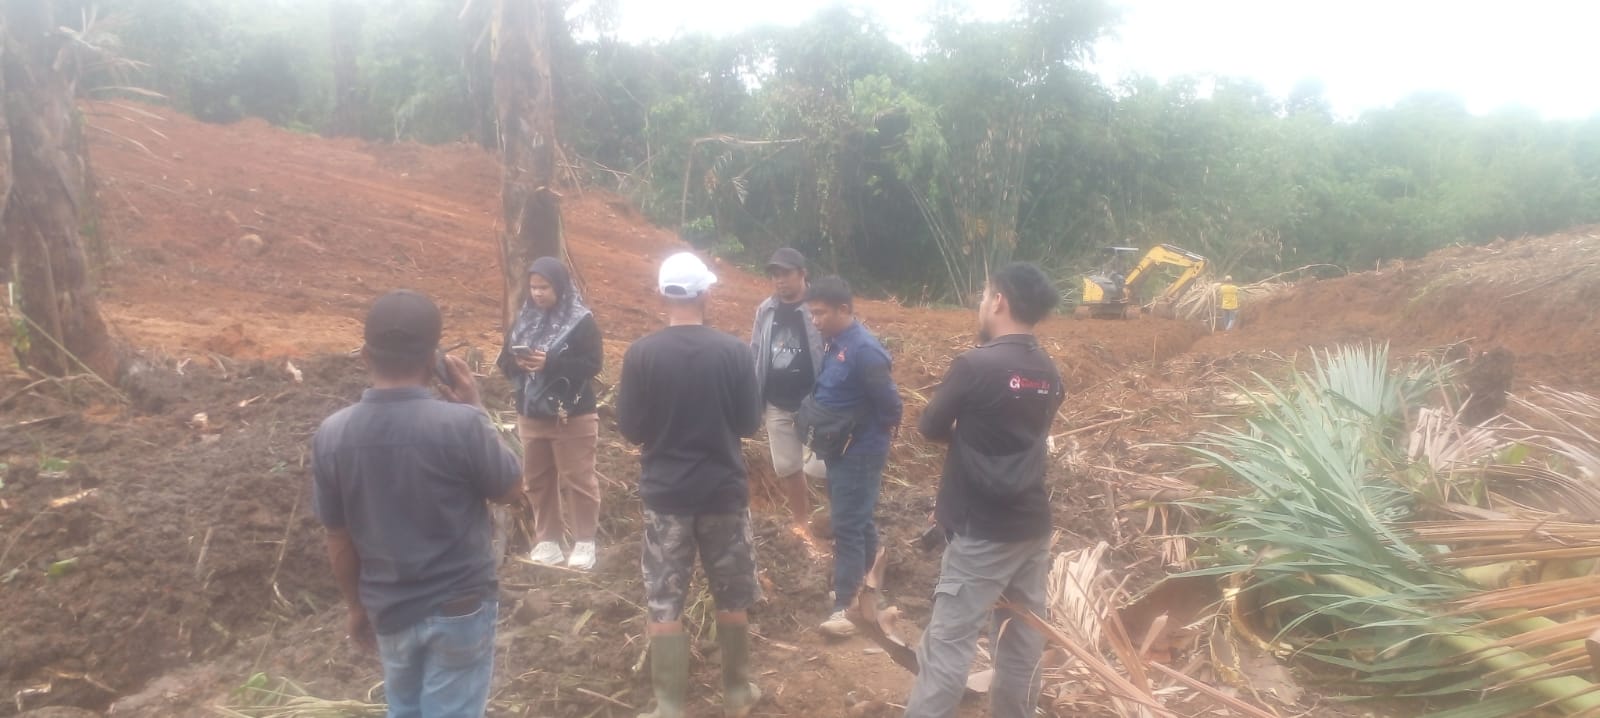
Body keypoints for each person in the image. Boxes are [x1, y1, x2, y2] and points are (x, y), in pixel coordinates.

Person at [312, 289, 523, 718]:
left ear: (365, 355)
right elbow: (511, 489)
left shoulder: (332, 436)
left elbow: (339, 539)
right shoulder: (461, 424)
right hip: (460, 608)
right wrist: (476, 407)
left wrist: (355, 607)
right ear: (435, 360)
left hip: (389, 611)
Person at [903, 262, 1065, 718]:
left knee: (948, 643)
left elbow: (930, 425)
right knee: (1020, 638)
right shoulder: (1048, 371)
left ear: (999, 301)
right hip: (1032, 527)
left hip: (981, 530)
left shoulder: (975, 365)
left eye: (983, 294)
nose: (981, 303)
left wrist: (965, 435)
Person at [617, 252, 765, 718]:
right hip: (722, 491)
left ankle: (669, 706)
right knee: (732, 593)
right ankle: (737, 693)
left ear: (664, 295)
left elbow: (631, 429)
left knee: (665, 598)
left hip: (667, 496)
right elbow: (748, 424)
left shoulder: (641, 354)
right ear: (704, 294)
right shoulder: (735, 352)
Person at [804, 276, 903, 638]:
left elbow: (891, 405)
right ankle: (866, 584)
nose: (815, 320)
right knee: (856, 520)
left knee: (847, 524)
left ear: (844, 309)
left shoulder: (864, 350)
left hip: (859, 452)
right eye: (812, 313)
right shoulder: (834, 342)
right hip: (838, 448)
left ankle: (843, 605)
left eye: (821, 313)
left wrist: (866, 434)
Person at [497, 257, 604, 571]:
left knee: (579, 479)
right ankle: (548, 541)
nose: (538, 294)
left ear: (559, 286)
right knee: (537, 479)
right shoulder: (524, 320)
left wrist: (552, 364)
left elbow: (593, 364)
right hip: (531, 413)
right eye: (533, 287)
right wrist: (518, 363)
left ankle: (585, 542)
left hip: (569, 414)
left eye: (544, 287)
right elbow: (503, 361)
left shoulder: (581, 320)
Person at [749, 247, 828, 530]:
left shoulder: (818, 308)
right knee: (788, 468)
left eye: (786, 274)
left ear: (803, 274)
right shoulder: (766, 311)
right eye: (775, 275)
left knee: (822, 467)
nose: (780, 280)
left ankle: (839, 518)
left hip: (815, 401)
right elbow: (756, 352)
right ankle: (801, 525)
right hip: (777, 402)